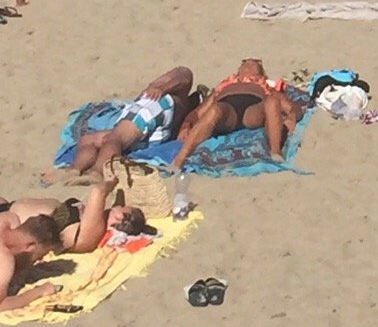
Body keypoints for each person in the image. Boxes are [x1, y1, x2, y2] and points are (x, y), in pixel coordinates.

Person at [60, 68, 196, 178]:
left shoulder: (178, 100)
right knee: (88, 140)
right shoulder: (178, 101)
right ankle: (76, 169)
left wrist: (159, 88)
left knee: (114, 139)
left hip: (150, 112)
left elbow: (184, 75)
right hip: (147, 116)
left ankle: (98, 172)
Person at [169, 59, 302, 171]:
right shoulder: (224, 87)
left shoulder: (266, 87)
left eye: (254, 62)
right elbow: (198, 113)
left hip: (253, 111)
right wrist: (186, 125)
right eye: (245, 62)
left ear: (261, 74)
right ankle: (180, 159)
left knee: (272, 102)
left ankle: (275, 152)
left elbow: (293, 108)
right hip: (227, 112)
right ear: (238, 71)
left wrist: (291, 117)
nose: (248, 64)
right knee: (215, 109)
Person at [0, 186, 148, 252]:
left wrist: (112, 182)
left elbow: (98, 191)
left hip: (9, 225)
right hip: (8, 209)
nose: (117, 206)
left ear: (120, 216)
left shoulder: (92, 233)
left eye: (122, 207)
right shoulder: (92, 220)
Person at [0, 214, 62, 313]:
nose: (40, 259)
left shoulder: (8, 219)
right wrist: (39, 291)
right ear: (30, 246)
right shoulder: (5, 259)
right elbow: (1, 305)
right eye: (40, 255)